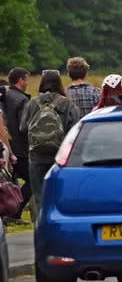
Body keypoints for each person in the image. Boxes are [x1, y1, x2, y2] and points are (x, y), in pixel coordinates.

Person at [20, 70, 80, 217]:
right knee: (60, 196)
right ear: (60, 83)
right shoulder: (67, 104)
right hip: (60, 158)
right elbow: (76, 130)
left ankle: (42, 227)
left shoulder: (32, 103)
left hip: (36, 157)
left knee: (40, 197)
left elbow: (22, 128)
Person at [2, 68, 31, 219]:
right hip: (19, 148)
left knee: (9, 181)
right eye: (27, 79)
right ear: (21, 81)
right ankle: (15, 212)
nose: (28, 82)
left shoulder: (5, 95)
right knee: (32, 179)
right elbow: (24, 126)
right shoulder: (22, 100)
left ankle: (8, 213)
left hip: (6, 147)